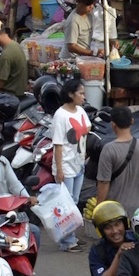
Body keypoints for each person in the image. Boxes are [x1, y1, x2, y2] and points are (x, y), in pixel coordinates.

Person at [96, 106, 139, 219]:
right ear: (132, 121)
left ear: (113, 125)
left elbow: (104, 183)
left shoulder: (108, 149)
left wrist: (98, 208)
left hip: (116, 211)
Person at [51, 78, 91, 252]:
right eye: (80, 93)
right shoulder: (60, 115)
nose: (83, 97)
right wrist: (59, 170)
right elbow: (58, 145)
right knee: (66, 205)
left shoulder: (80, 111)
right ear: (70, 94)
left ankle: (71, 236)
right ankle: (67, 241)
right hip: (66, 166)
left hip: (78, 164)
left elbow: (87, 128)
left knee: (73, 203)